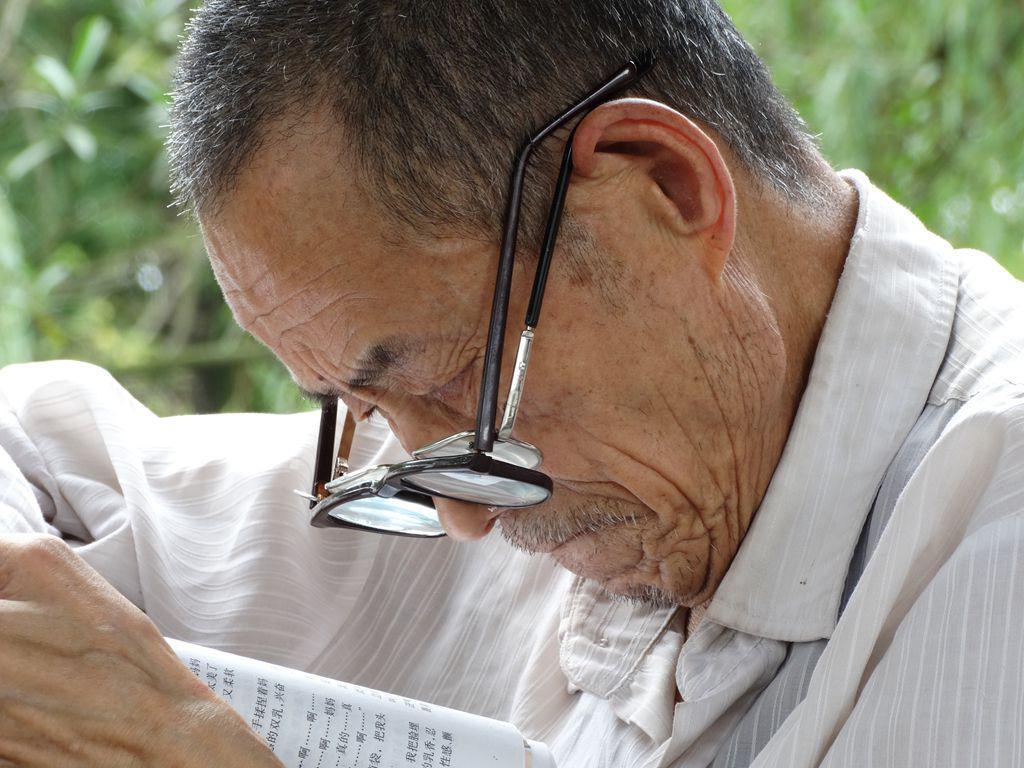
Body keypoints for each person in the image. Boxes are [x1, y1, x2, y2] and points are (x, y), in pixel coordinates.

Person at [1, 1, 1022, 766]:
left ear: (663, 187)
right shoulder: (492, 474)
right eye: (362, 410)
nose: (458, 518)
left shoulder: (991, 534)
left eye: (452, 381)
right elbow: (30, 454)